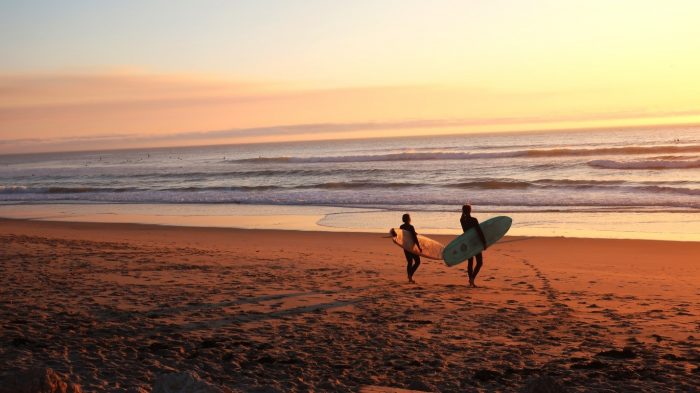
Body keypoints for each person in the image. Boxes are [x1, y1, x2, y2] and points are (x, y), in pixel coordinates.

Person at [460, 204, 487, 287]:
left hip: (467, 242)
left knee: (470, 262)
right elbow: (479, 232)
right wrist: (484, 242)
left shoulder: (462, 220)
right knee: (479, 262)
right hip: (475, 242)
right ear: (470, 210)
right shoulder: (474, 220)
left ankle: (471, 280)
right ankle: (472, 279)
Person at [400, 213, 422, 283]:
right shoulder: (411, 227)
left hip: (405, 246)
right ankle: (410, 275)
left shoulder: (401, 226)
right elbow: (414, 238)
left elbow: (400, 236)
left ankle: (409, 277)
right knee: (417, 261)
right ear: (409, 219)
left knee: (410, 262)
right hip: (411, 247)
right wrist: (419, 247)